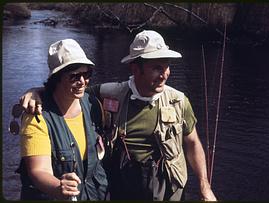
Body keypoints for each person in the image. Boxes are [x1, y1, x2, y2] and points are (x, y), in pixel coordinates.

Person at [19, 30, 217, 201]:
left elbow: (192, 144)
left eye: (166, 67)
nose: (164, 74)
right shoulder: (108, 94)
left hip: (170, 192)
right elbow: (66, 93)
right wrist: (37, 92)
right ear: (135, 68)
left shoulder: (179, 102)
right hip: (124, 192)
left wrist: (204, 185)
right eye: (156, 67)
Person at [17, 39, 108, 200]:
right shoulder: (36, 116)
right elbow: (39, 170)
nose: (82, 82)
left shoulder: (92, 103)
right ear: (56, 78)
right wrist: (58, 187)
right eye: (74, 76)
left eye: (86, 74)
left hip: (94, 194)